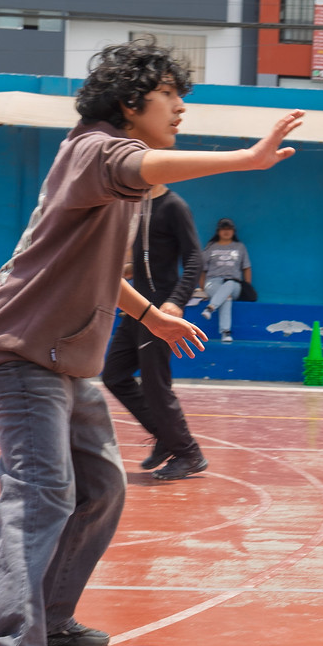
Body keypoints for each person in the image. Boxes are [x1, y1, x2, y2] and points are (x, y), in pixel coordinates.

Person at [0, 39, 301, 646]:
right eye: (170, 95)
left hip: (66, 356)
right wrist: (245, 158)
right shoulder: (94, 151)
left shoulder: (120, 185)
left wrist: (152, 316)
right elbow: (144, 163)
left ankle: (48, 621)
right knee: (41, 491)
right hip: (22, 347)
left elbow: (99, 268)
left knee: (104, 485)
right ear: (128, 104)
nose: (182, 107)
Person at [104, 179, 206, 480]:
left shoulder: (174, 206)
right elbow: (141, 263)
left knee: (155, 384)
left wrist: (176, 302)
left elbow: (194, 259)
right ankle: (164, 437)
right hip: (136, 309)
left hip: (161, 311)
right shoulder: (136, 207)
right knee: (114, 375)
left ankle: (189, 453)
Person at [198, 217, 250, 343]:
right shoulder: (211, 247)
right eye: (223, 229)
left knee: (230, 284)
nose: (226, 232)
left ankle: (210, 308)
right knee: (226, 296)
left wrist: (247, 287)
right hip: (213, 282)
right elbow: (203, 270)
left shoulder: (240, 247)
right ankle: (226, 333)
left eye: (229, 229)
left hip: (235, 284)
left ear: (233, 231)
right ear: (218, 231)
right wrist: (202, 288)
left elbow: (247, 268)